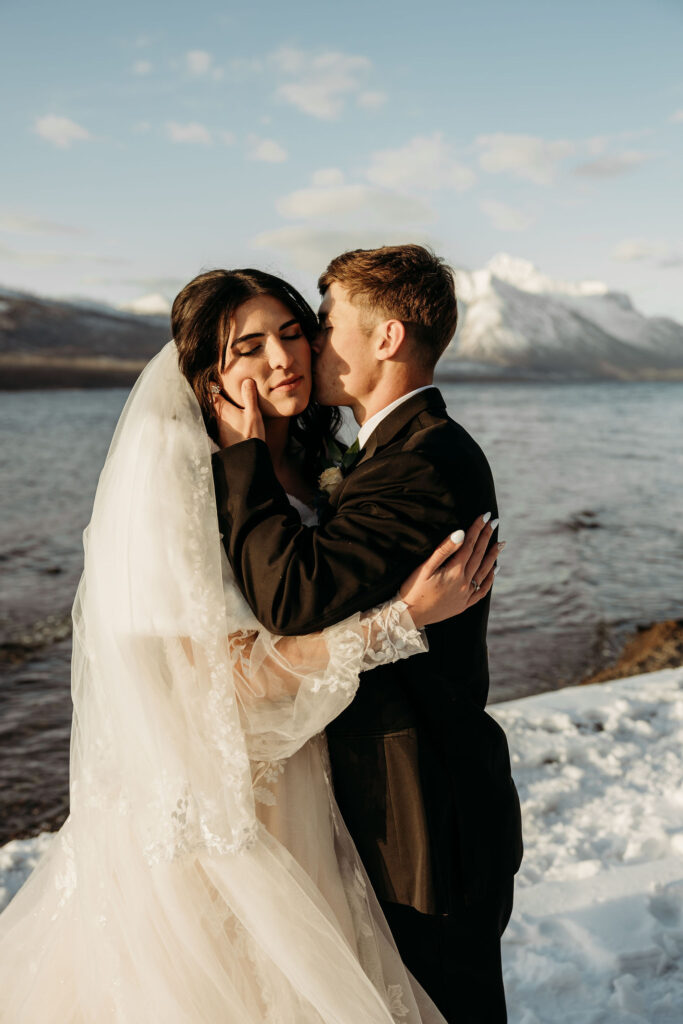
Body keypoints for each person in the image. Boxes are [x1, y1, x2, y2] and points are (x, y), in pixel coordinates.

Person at [0, 266, 499, 1023]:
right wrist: (397, 620)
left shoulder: (313, 458)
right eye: (251, 346)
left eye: (296, 332)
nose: (285, 359)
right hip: (231, 793)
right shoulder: (174, 467)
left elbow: (303, 584)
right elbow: (216, 675)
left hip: (320, 777)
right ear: (208, 372)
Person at [212, 245, 523, 1024]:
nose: (310, 344)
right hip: (397, 801)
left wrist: (245, 458)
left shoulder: (420, 462)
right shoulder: (380, 452)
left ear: (383, 338)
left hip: (425, 815)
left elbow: (291, 594)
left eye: (323, 322)